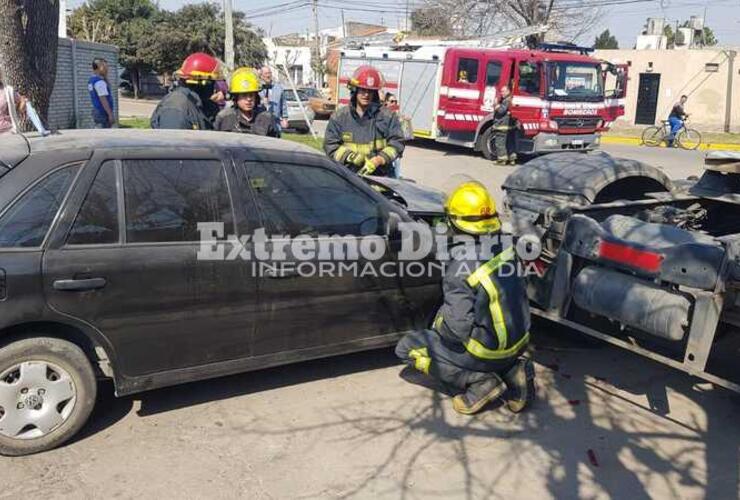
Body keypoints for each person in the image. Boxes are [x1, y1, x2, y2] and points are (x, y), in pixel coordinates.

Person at [396, 181, 535, 415]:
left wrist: (437, 324)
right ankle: (514, 371)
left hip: (485, 352)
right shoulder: (508, 246)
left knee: (407, 348)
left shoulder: (460, 268)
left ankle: (479, 383)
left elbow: (456, 330)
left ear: (454, 221)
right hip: (519, 341)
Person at [324, 65, 404, 177]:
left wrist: (379, 159)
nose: (366, 94)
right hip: (349, 179)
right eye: (363, 90)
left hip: (381, 181)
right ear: (355, 90)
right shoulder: (339, 117)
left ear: (375, 93)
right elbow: (330, 146)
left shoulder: (387, 117)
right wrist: (352, 157)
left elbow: (397, 144)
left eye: (370, 91)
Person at [150, 52, 224, 130]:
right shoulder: (176, 109)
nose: (216, 88)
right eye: (213, 82)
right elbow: (172, 140)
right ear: (201, 82)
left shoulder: (198, 103)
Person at [214, 68, 278, 137]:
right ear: (236, 97)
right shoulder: (225, 117)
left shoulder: (266, 118)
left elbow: (275, 144)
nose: (249, 99)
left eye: (251, 95)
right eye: (244, 95)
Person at [258, 66, 289, 135]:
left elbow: (283, 104)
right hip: (261, 124)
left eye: (269, 73)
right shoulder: (257, 88)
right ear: (261, 76)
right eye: (266, 73)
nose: (268, 75)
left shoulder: (278, 87)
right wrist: (262, 101)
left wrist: (285, 118)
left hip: (276, 123)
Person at [492, 85, 517, 165]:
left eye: (503, 91)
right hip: (509, 126)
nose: (501, 93)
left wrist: (496, 105)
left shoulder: (506, 100)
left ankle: (502, 160)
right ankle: (512, 159)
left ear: (508, 91)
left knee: (500, 142)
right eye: (501, 91)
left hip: (502, 125)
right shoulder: (510, 99)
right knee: (509, 143)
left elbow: (501, 111)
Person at [88, 58, 115, 128]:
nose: (107, 69)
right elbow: (103, 99)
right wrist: (110, 114)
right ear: (97, 68)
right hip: (103, 112)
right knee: (106, 134)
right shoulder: (100, 82)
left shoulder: (91, 80)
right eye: (104, 67)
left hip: (96, 110)